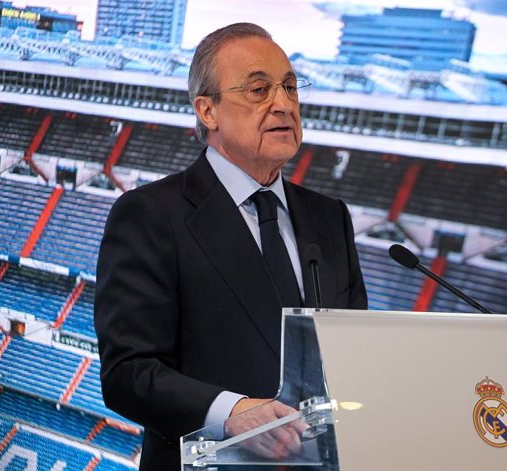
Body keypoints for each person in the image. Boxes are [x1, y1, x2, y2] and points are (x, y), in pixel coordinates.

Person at [94, 22, 367, 471]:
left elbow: (355, 354)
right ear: (208, 110)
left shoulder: (330, 217)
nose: (284, 104)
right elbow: (128, 372)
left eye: (290, 87)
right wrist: (232, 413)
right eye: (259, 89)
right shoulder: (151, 213)